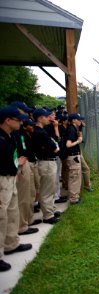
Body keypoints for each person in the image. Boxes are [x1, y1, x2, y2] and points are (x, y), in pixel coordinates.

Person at [0, 106, 33, 272]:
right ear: (7, 120)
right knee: (1, 216)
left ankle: (11, 243)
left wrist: (15, 170)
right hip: (2, 180)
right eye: (18, 119)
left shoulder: (10, 136)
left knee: (12, 212)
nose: (21, 122)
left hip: (10, 177)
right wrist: (16, 165)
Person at [31, 109, 60, 224]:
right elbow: (52, 146)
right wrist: (53, 147)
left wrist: (53, 147)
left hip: (48, 161)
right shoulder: (39, 132)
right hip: (46, 162)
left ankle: (50, 210)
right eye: (46, 116)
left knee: (51, 188)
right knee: (47, 190)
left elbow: (53, 144)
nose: (48, 118)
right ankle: (48, 215)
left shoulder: (42, 131)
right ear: (39, 118)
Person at [16, 119, 40, 235]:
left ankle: (28, 220)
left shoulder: (25, 135)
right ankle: (22, 224)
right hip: (23, 164)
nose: (32, 126)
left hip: (28, 163)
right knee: (23, 197)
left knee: (31, 193)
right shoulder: (19, 135)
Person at [65, 113, 85, 204]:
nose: (80, 121)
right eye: (78, 119)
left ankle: (75, 196)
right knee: (74, 177)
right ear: (73, 120)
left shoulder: (74, 128)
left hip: (74, 156)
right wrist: (77, 141)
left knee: (76, 176)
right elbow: (68, 145)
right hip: (73, 156)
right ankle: (73, 199)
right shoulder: (71, 130)